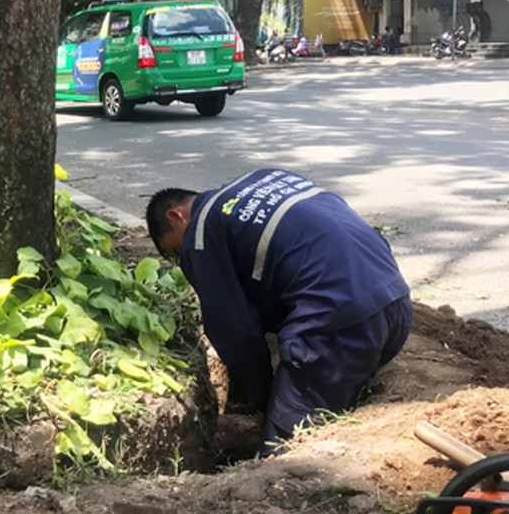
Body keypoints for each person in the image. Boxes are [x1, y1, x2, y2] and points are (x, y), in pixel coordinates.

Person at [145, 169, 412, 456]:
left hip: (337, 322)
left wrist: (267, 400)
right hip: (395, 303)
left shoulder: (199, 232)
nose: (182, 259)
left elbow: (236, 334)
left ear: (176, 216)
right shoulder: (267, 179)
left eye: (175, 252)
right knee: (330, 407)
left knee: (284, 452)